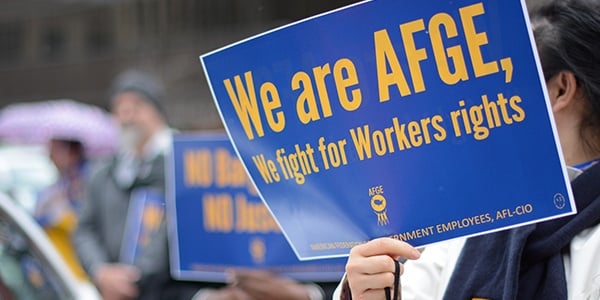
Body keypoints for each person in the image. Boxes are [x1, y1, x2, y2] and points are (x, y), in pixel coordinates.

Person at [335, 0, 600, 299]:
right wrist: (367, 290)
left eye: (511, 77)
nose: (491, 99)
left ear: (560, 90)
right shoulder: (476, 215)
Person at [73, 69, 179, 300]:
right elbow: (84, 229)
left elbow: (176, 226)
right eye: (119, 108)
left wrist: (136, 277)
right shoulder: (104, 174)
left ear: (157, 111)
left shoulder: (182, 164)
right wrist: (101, 271)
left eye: (136, 106)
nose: (126, 115)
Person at [34, 138, 89, 281]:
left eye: (54, 150)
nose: (50, 157)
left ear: (71, 152)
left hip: (79, 268)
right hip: (58, 266)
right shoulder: (57, 187)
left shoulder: (87, 184)